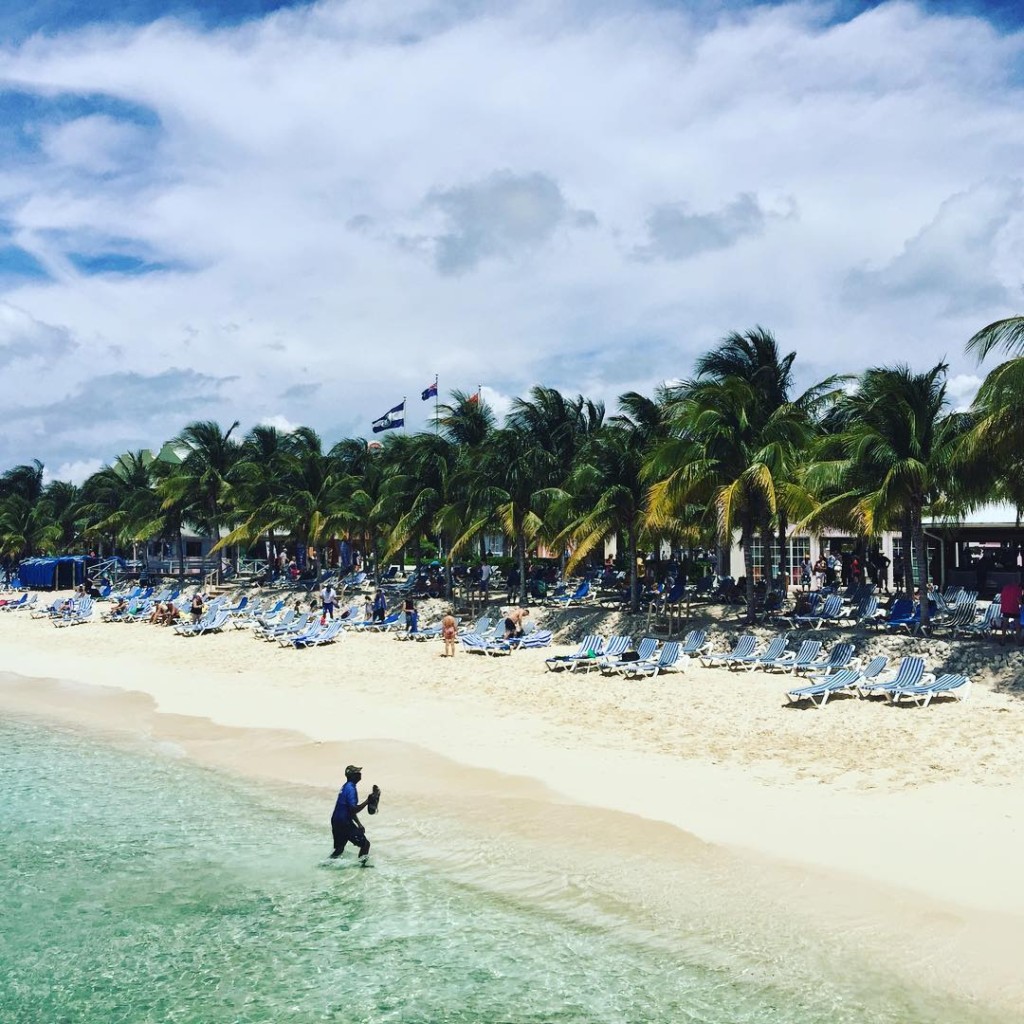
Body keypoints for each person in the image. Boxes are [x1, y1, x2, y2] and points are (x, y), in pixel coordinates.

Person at [329, 764, 372, 863]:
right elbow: (353, 809)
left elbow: (349, 810)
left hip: (336, 821)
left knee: (339, 849)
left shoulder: (345, 787)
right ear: (353, 776)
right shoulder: (351, 789)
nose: (360, 774)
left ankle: (324, 865)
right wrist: (367, 802)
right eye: (357, 773)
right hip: (344, 823)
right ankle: (362, 868)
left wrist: (359, 824)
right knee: (365, 844)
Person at [998, 576, 1023, 645]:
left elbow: (1001, 598)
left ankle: (1002, 640)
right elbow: (1019, 600)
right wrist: (1022, 604)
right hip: (1014, 608)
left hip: (1005, 608)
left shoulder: (1005, 588)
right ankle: (1018, 642)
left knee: (1005, 625)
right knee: (1017, 625)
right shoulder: (1018, 589)